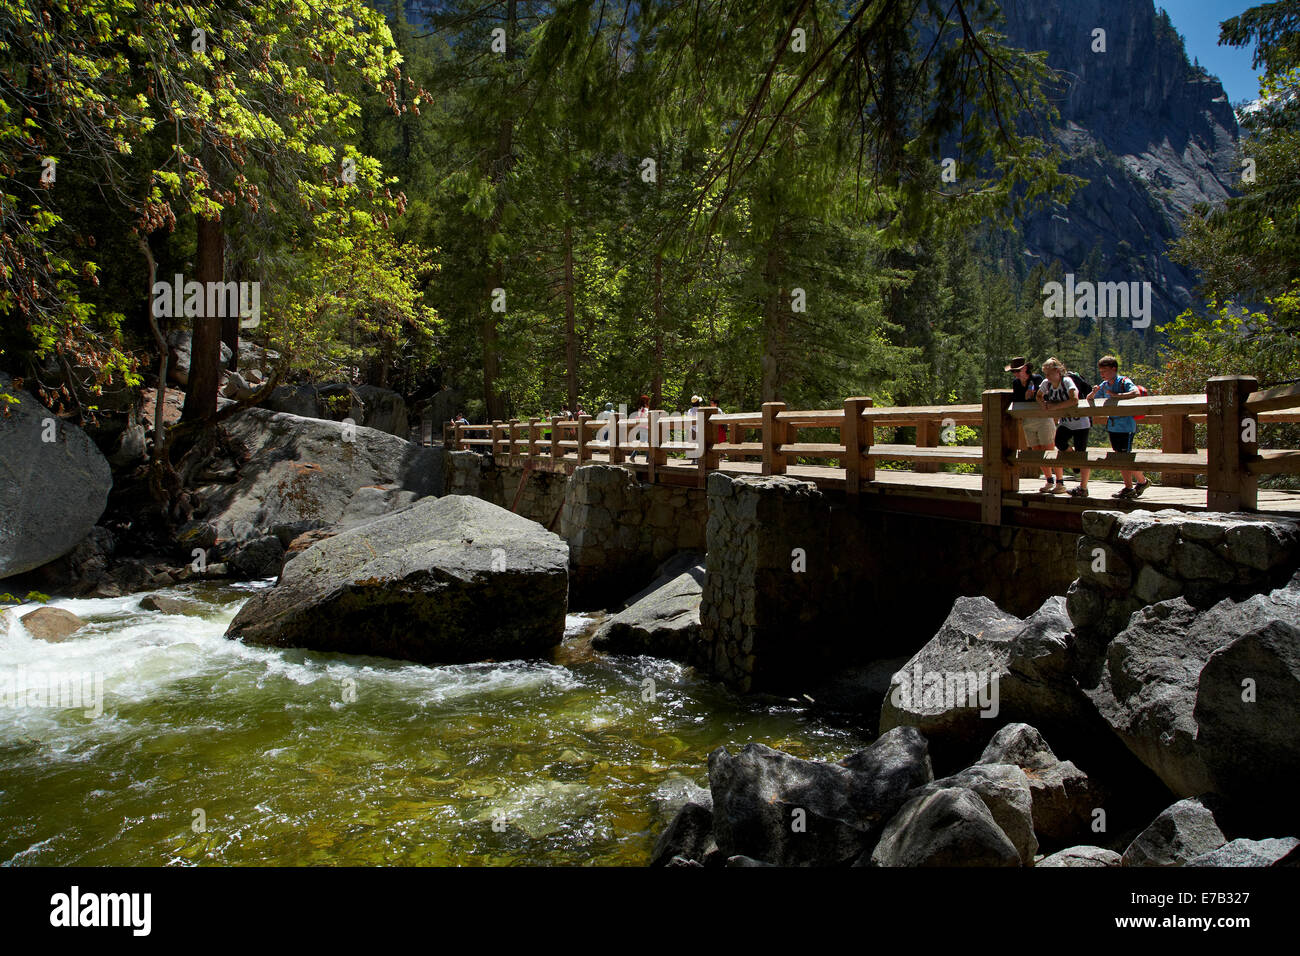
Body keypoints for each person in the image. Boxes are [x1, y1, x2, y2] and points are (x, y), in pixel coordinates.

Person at [1087, 355, 1150, 499]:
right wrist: (1094, 392)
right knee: (1121, 456)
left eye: (1105, 371)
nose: (1102, 374)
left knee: (1124, 457)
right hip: (1113, 425)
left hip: (1126, 426)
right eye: (1101, 372)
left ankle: (1129, 487)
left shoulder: (1123, 381)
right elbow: (1090, 399)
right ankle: (1142, 481)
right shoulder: (1104, 385)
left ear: (1114, 369)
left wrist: (1117, 395)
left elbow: (1135, 393)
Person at [1038, 357, 1093, 497]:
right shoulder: (1047, 383)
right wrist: (1043, 404)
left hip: (1081, 423)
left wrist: (1055, 407)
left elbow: (1074, 399)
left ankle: (1083, 487)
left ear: (1057, 371)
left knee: (1082, 453)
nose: (1047, 377)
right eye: (1045, 374)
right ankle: (1074, 460)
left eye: (1049, 373)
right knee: (1059, 443)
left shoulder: (1067, 381)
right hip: (1066, 422)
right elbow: (1039, 395)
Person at [1006, 357, 1058, 493]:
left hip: (1043, 419)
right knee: (1037, 452)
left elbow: (1043, 396)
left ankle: (1060, 481)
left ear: (1025, 368)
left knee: (1049, 449)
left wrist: (1033, 395)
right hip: (1028, 420)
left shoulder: (1037, 379)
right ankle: (1049, 480)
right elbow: (1018, 399)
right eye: (1013, 371)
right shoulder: (1016, 383)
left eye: (1018, 370)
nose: (1016, 373)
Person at [628, 394, 649, 462]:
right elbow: (646, 416)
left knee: (643, 442)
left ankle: (633, 456)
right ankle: (648, 458)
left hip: (642, 426)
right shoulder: (645, 408)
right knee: (647, 442)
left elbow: (639, 417)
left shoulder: (640, 408)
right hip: (645, 426)